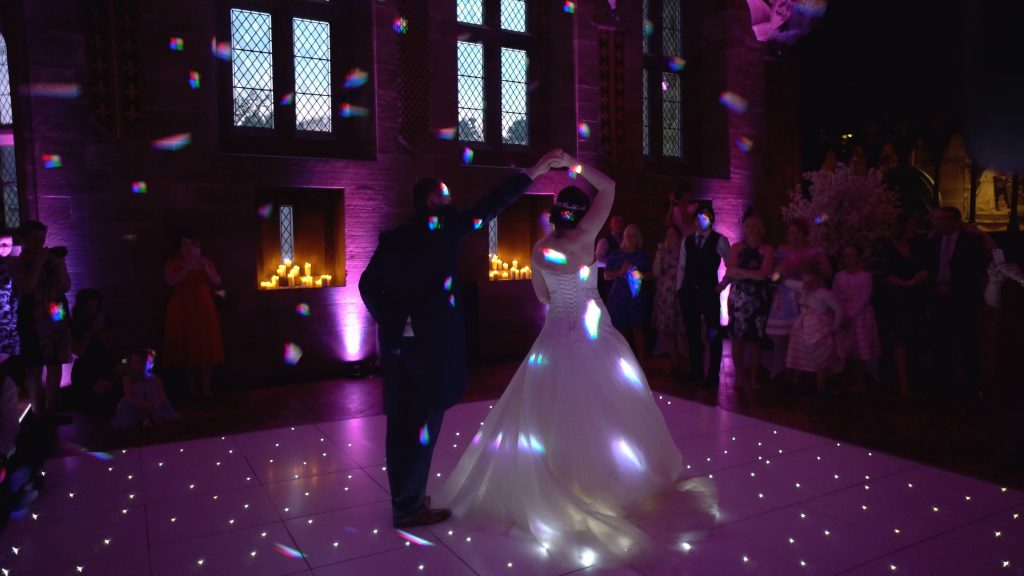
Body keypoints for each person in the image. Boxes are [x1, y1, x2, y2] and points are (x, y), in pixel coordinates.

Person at [437, 152, 717, 569]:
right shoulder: (588, 236)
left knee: (550, 413)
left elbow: (543, 297)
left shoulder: (540, 250)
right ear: (582, 213)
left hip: (557, 334)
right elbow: (611, 188)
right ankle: (611, 480)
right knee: (608, 410)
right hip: (594, 333)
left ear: (554, 216)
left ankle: (564, 480)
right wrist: (572, 164)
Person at [359, 149, 566, 529]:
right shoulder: (445, 229)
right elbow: (490, 204)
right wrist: (534, 171)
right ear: (430, 201)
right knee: (422, 426)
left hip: (399, 345)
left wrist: (396, 319)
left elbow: (367, 285)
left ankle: (404, 499)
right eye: (443, 193)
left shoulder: (393, 239)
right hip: (429, 348)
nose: (449, 198)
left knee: (400, 425)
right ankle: (409, 509)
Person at [10, 221, 71, 420]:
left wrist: (59, 265)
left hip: (55, 310)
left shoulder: (50, 260)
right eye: (35, 240)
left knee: (56, 361)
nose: (40, 244)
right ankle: (38, 414)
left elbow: (65, 286)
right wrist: (38, 262)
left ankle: (52, 409)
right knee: (35, 365)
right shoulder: (16, 262)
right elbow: (27, 288)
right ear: (22, 240)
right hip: (31, 316)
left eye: (42, 240)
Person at [924, 207, 989, 393]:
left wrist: (953, 287)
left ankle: (972, 383)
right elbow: (928, 267)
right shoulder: (933, 242)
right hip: (938, 298)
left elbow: (974, 270)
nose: (937, 223)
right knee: (941, 340)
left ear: (954, 220)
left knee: (968, 340)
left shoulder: (972, 241)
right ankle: (945, 382)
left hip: (963, 297)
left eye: (941, 219)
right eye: (935, 219)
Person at [765, 219, 832, 381]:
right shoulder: (782, 251)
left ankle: (806, 375)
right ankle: (785, 375)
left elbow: (828, 273)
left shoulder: (815, 250)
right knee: (787, 338)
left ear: (805, 233)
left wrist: (814, 276)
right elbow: (773, 277)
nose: (794, 236)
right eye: (791, 233)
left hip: (808, 296)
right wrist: (779, 271)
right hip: (786, 297)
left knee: (807, 336)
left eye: (797, 232)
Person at [675, 205, 731, 387]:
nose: (701, 221)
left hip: (709, 293)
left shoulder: (720, 240)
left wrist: (721, 286)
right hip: (689, 292)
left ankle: (713, 374)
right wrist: (679, 290)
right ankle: (696, 370)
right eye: (698, 217)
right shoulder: (687, 241)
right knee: (692, 333)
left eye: (705, 217)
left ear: (711, 220)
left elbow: (731, 266)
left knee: (713, 332)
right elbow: (682, 267)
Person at [874, 213, 928, 397]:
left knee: (913, 336)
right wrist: (906, 283)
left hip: (914, 299)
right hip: (893, 299)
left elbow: (924, 265)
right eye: (911, 224)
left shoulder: (916, 246)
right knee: (898, 339)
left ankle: (913, 378)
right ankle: (902, 381)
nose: (914, 228)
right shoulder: (886, 248)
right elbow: (881, 273)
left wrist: (920, 276)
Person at [163, 235, 223, 397]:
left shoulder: (205, 262)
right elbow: (171, 281)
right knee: (187, 345)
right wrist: (187, 267)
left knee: (206, 346)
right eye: (184, 246)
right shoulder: (172, 263)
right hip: (183, 308)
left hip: (203, 308)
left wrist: (204, 266)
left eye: (191, 246)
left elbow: (217, 281)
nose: (188, 250)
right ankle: (192, 387)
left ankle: (206, 388)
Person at [725, 210, 775, 392]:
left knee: (755, 340)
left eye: (755, 226)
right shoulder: (737, 247)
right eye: (748, 226)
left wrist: (741, 272)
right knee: (737, 339)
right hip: (738, 299)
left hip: (758, 300)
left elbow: (764, 275)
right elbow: (729, 270)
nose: (752, 229)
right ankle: (739, 376)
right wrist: (750, 274)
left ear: (762, 229)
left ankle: (754, 377)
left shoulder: (767, 249)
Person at [786, 265, 843, 394]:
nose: (807, 283)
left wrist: (834, 327)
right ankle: (799, 384)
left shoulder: (824, 293)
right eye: (804, 279)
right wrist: (804, 285)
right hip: (803, 327)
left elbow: (838, 310)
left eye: (810, 279)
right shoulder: (804, 290)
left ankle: (820, 389)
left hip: (818, 329)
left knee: (820, 359)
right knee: (801, 356)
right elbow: (788, 282)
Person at [833, 245, 880, 393]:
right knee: (842, 350)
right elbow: (835, 295)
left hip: (860, 316)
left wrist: (852, 316)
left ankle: (861, 381)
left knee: (860, 349)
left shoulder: (865, 277)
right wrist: (840, 313)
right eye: (846, 256)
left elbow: (864, 298)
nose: (849, 259)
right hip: (842, 313)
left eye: (852, 256)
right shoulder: (839, 276)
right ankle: (844, 380)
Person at [604, 224, 652, 361]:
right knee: (620, 330)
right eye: (628, 235)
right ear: (624, 237)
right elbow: (606, 275)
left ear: (638, 238)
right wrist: (620, 272)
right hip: (618, 297)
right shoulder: (615, 254)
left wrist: (636, 273)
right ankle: (624, 361)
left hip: (636, 296)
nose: (630, 237)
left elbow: (650, 275)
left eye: (633, 235)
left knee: (638, 329)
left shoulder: (642, 255)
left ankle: (641, 364)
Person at [70, 289, 118, 407]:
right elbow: (78, 351)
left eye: (95, 306)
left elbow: (108, 347)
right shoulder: (74, 323)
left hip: (103, 364)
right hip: (86, 368)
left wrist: (101, 329)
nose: (93, 310)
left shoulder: (103, 320)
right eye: (89, 306)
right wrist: (91, 331)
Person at [112, 349, 180, 428]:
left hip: (154, 403)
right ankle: (143, 418)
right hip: (136, 405)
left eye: (138, 364)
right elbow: (128, 395)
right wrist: (142, 404)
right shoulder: (128, 379)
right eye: (132, 363)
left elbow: (162, 393)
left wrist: (155, 404)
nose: (134, 366)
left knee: (149, 388)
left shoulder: (154, 378)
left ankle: (154, 416)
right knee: (137, 389)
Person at [652, 225, 687, 375]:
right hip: (664, 294)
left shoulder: (684, 252)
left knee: (681, 330)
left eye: (673, 235)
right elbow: (656, 273)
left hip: (679, 293)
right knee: (668, 330)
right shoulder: (662, 253)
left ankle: (687, 364)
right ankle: (674, 364)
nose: (670, 238)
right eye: (668, 235)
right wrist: (659, 258)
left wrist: (678, 271)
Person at [0, 230, 19, 360]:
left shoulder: (16, 265)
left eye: (10, 244)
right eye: (2, 244)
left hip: (14, 323)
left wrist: (58, 319)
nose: (7, 247)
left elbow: (57, 296)